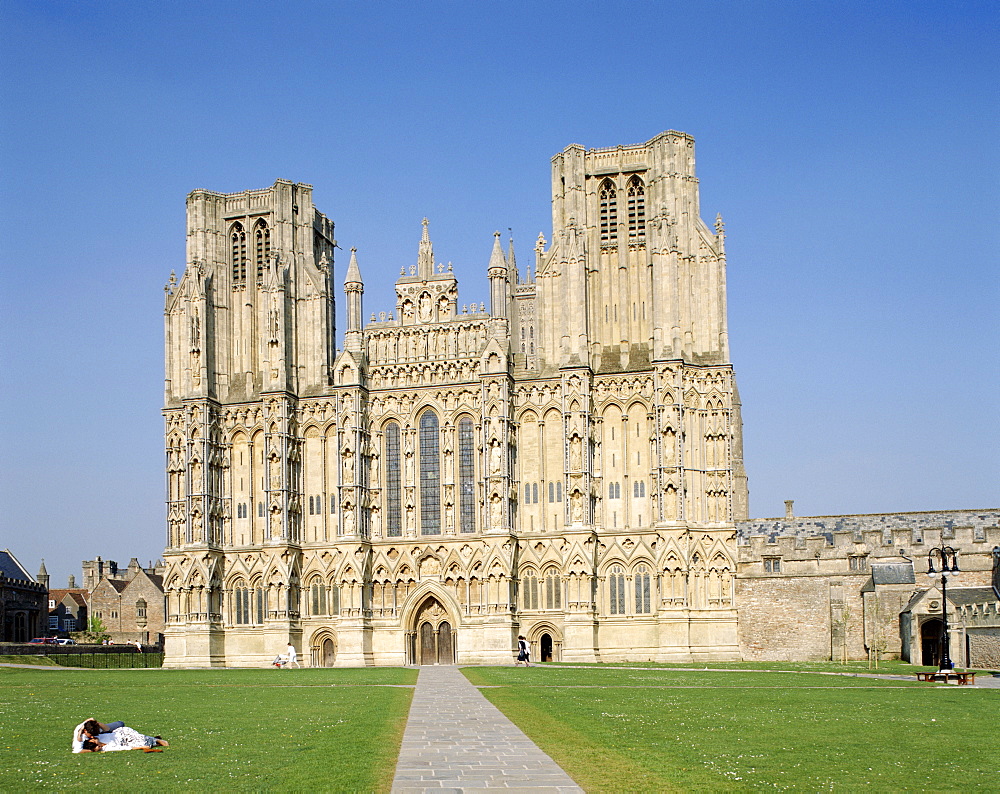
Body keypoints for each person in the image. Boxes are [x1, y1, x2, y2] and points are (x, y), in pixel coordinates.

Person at [74, 720, 168, 752]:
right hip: (123, 740)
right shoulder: (105, 748)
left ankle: (155, 740)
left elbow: (106, 729)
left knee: (121, 724)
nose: (92, 738)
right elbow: (122, 748)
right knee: (143, 741)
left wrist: (96, 724)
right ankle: (155, 741)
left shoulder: (94, 732)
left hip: (119, 733)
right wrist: (140, 748)